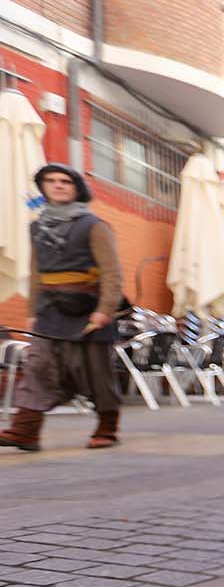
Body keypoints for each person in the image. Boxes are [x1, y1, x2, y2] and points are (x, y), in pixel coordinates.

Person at [0, 164, 129, 452]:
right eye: (51, 181)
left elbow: (112, 272)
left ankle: (108, 428)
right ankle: (26, 431)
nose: (58, 185)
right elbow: (36, 272)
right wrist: (32, 311)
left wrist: (105, 309)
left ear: (76, 188)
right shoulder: (36, 226)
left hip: (90, 309)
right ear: (43, 186)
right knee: (38, 366)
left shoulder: (94, 225)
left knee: (98, 372)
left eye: (65, 181)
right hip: (50, 310)